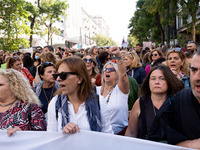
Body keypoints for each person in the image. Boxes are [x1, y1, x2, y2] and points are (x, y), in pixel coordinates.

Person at [147, 51, 200, 149]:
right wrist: (191, 145)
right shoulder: (176, 103)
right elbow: (156, 143)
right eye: (194, 70)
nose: (197, 77)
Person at [125, 65, 184, 139]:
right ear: (148, 82)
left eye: (162, 79)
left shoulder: (177, 102)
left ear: (169, 81)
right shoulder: (140, 103)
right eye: (153, 79)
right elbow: (131, 133)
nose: (157, 82)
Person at [47, 57, 101, 133]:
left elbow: (108, 136)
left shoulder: (99, 101)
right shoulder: (55, 103)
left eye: (63, 75)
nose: (58, 79)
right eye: (56, 75)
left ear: (79, 78)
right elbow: (51, 137)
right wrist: (63, 134)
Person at [0, 69, 46, 136]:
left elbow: (42, 137)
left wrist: (22, 134)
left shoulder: (30, 108)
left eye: (0, 84)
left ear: (14, 86)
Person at [96, 46, 129, 134]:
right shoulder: (96, 90)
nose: (107, 71)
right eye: (105, 70)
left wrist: (118, 55)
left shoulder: (121, 90)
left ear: (117, 74)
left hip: (118, 134)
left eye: (111, 70)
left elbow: (123, 75)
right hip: (99, 135)